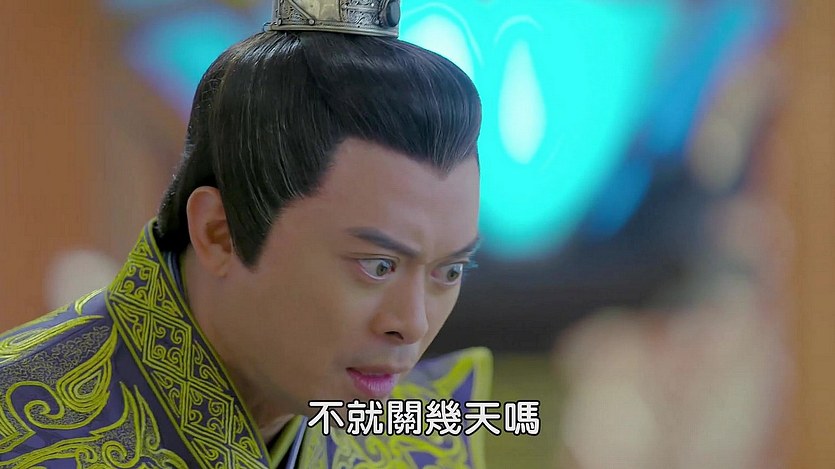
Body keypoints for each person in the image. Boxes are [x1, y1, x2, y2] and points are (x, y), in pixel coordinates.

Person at [0, 0, 491, 467]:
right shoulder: (17, 427)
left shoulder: (422, 436)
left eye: (449, 272)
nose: (412, 324)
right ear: (220, 232)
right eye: (377, 266)